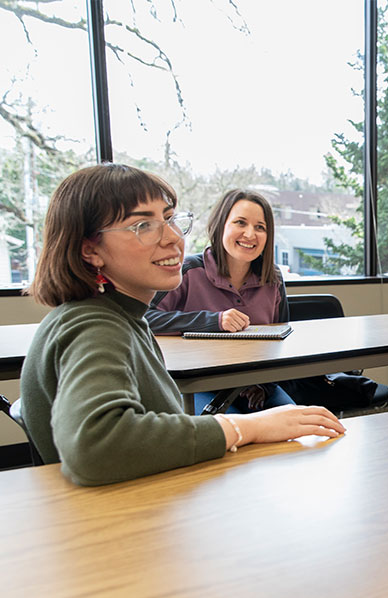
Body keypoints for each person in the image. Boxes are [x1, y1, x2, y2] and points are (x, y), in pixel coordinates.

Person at [20, 164, 345, 486]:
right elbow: (96, 445)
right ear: (90, 250)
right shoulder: (94, 325)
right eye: (143, 225)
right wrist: (246, 428)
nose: (174, 237)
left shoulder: (124, 318)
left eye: (170, 219)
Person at [146, 188, 294, 414]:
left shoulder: (273, 278)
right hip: (198, 384)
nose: (250, 234)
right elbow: (144, 319)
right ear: (221, 225)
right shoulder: (187, 271)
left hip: (256, 384)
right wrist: (212, 321)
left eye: (260, 227)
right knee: (230, 435)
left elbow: (280, 339)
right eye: (240, 223)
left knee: (296, 424)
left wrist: (265, 384)